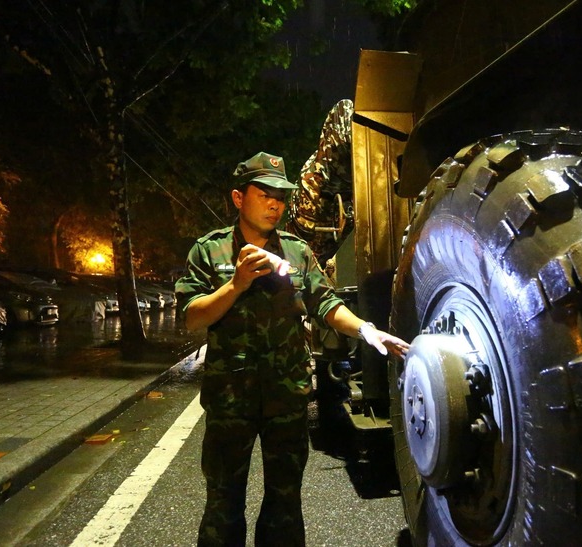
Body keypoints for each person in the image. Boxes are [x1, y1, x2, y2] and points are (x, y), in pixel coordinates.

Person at [175, 151, 409, 546]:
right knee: (223, 501)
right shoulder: (210, 250)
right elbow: (192, 316)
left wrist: (369, 331)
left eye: (280, 197)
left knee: (285, 502)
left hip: (287, 397)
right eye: (264, 193)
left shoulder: (297, 253)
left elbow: (327, 305)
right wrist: (236, 285)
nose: (274, 204)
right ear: (238, 198)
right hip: (230, 400)